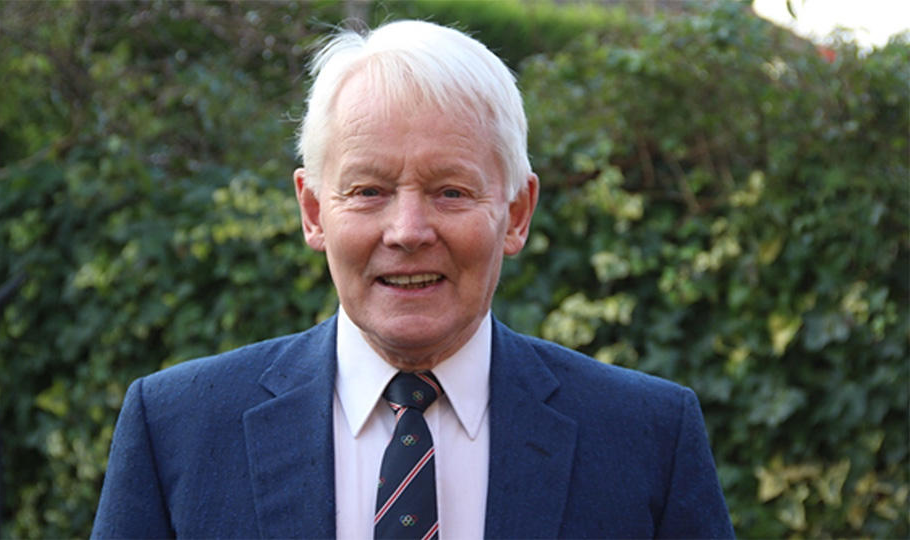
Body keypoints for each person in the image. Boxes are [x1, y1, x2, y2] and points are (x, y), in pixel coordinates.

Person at [92, 20, 734, 539]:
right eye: (368, 191)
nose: (407, 230)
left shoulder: (646, 437)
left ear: (516, 214)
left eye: (450, 191)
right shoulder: (176, 431)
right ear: (313, 210)